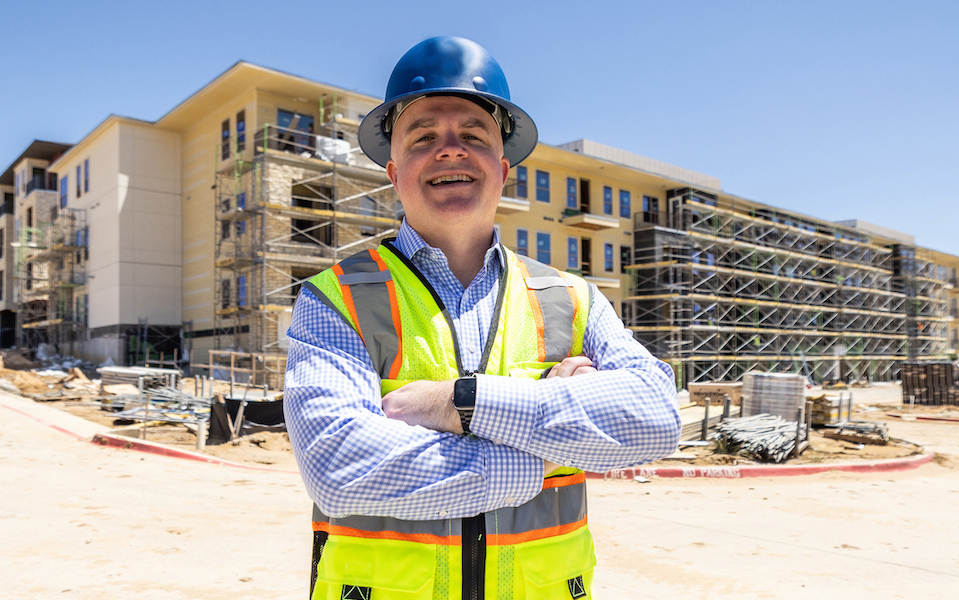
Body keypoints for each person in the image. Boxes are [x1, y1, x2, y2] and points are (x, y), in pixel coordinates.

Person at [284, 36, 680, 600]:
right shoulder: (337, 299)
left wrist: (459, 403)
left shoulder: (570, 297)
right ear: (394, 173)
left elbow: (656, 419)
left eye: (472, 135)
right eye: (424, 137)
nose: (450, 150)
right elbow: (340, 468)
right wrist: (548, 450)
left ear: (504, 168)